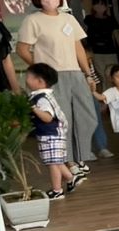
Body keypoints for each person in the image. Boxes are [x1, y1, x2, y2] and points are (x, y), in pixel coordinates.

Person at [16, 0, 99, 181]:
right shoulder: (33, 20)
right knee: (63, 121)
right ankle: (69, 161)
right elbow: (22, 49)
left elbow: (78, 47)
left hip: (75, 73)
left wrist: (88, 74)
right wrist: (42, 70)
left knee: (87, 116)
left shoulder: (68, 19)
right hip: (54, 77)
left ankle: (81, 156)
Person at [25, 62, 82, 199]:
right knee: (55, 161)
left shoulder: (42, 99)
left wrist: (33, 108)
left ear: (39, 81)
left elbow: (47, 117)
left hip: (51, 134)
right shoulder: (40, 96)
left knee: (52, 163)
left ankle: (57, 190)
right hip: (52, 134)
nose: (26, 80)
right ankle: (70, 178)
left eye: (28, 77)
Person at [83, 0, 119, 89]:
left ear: (106, 7)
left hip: (110, 51)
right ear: (93, 6)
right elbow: (83, 35)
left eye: (102, 4)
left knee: (113, 74)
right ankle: (106, 97)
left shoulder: (111, 20)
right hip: (96, 52)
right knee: (101, 76)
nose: (99, 7)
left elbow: (117, 35)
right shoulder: (89, 19)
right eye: (97, 4)